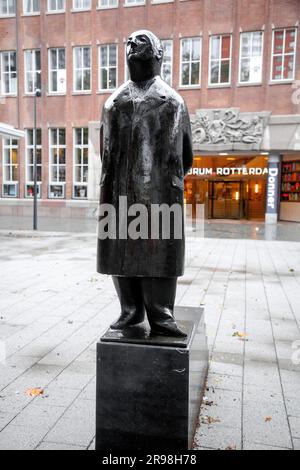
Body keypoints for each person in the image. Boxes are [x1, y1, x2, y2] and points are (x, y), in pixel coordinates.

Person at [97, 30, 193, 337]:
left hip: (160, 193)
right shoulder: (114, 103)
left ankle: (161, 313)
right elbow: (105, 149)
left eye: (143, 47)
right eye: (131, 47)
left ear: (159, 57)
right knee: (119, 249)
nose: (134, 52)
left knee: (158, 250)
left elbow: (187, 153)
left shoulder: (173, 102)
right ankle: (130, 309)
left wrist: (164, 181)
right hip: (119, 191)